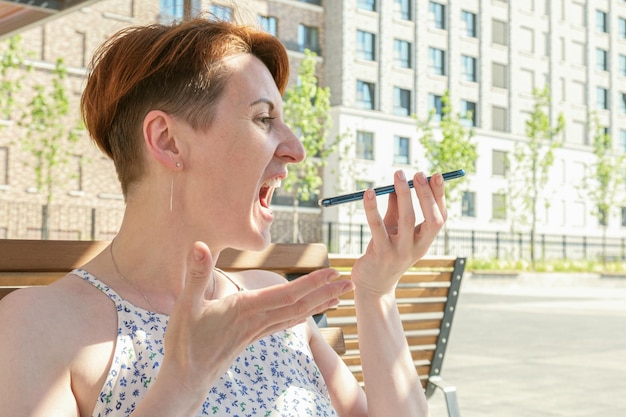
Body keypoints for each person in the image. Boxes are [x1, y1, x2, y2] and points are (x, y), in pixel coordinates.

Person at [0, 16, 447, 417]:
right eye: (263, 119)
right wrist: (182, 383)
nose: (296, 150)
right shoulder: (36, 326)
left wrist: (376, 291)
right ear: (168, 141)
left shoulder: (273, 299)